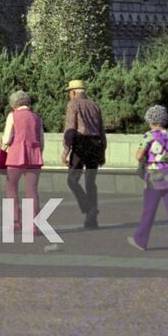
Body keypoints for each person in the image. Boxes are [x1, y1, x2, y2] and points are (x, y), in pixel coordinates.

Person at [129, 104, 168, 255]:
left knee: (149, 210)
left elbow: (139, 155)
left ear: (151, 120)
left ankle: (140, 240)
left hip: (155, 175)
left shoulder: (149, 135)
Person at [62, 79, 106, 229]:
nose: (69, 95)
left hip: (80, 144)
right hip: (95, 144)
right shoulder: (95, 106)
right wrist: (102, 152)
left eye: (69, 93)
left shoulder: (72, 105)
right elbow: (101, 131)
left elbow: (70, 129)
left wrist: (66, 151)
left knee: (72, 180)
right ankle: (91, 221)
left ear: (73, 93)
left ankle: (88, 207)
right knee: (90, 183)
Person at [0, 90, 45, 234]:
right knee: (32, 191)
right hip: (34, 156)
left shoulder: (12, 116)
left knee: (11, 187)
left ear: (14, 103)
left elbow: (7, 139)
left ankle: (15, 222)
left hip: (15, 156)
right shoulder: (37, 118)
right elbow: (41, 141)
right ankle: (33, 226)